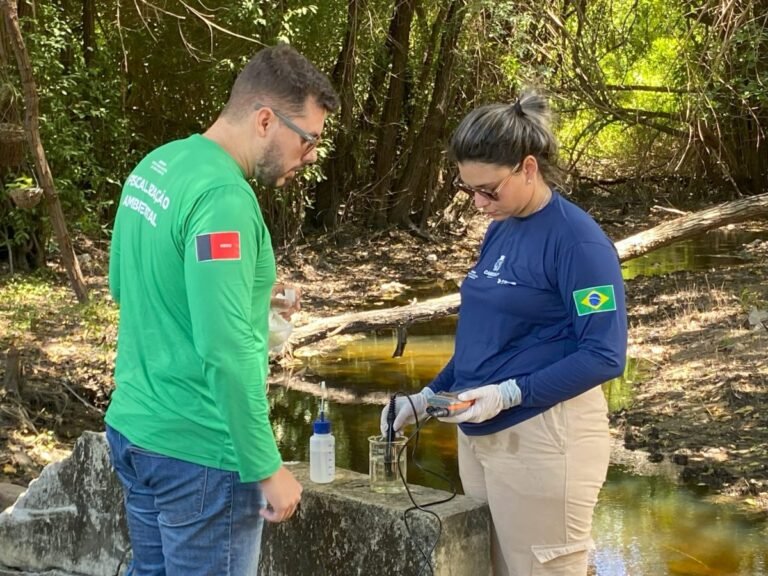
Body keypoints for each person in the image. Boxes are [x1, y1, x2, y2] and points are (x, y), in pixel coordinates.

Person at [106, 44, 338, 575]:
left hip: (136, 431)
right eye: (309, 139)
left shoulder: (158, 165)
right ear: (265, 120)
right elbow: (226, 350)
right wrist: (265, 466)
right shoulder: (225, 200)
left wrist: (252, 293)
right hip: (199, 452)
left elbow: (130, 284)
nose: (311, 155)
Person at [381, 90, 627, 576]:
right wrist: (429, 396)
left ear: (528, 168)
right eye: (468, 190)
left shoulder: (579, 243)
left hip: (547, 437)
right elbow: (485, 340)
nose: (477, 203)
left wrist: (513, 393)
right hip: (481, 433)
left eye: (488, 190)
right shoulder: (502, 227)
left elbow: (604, 354)